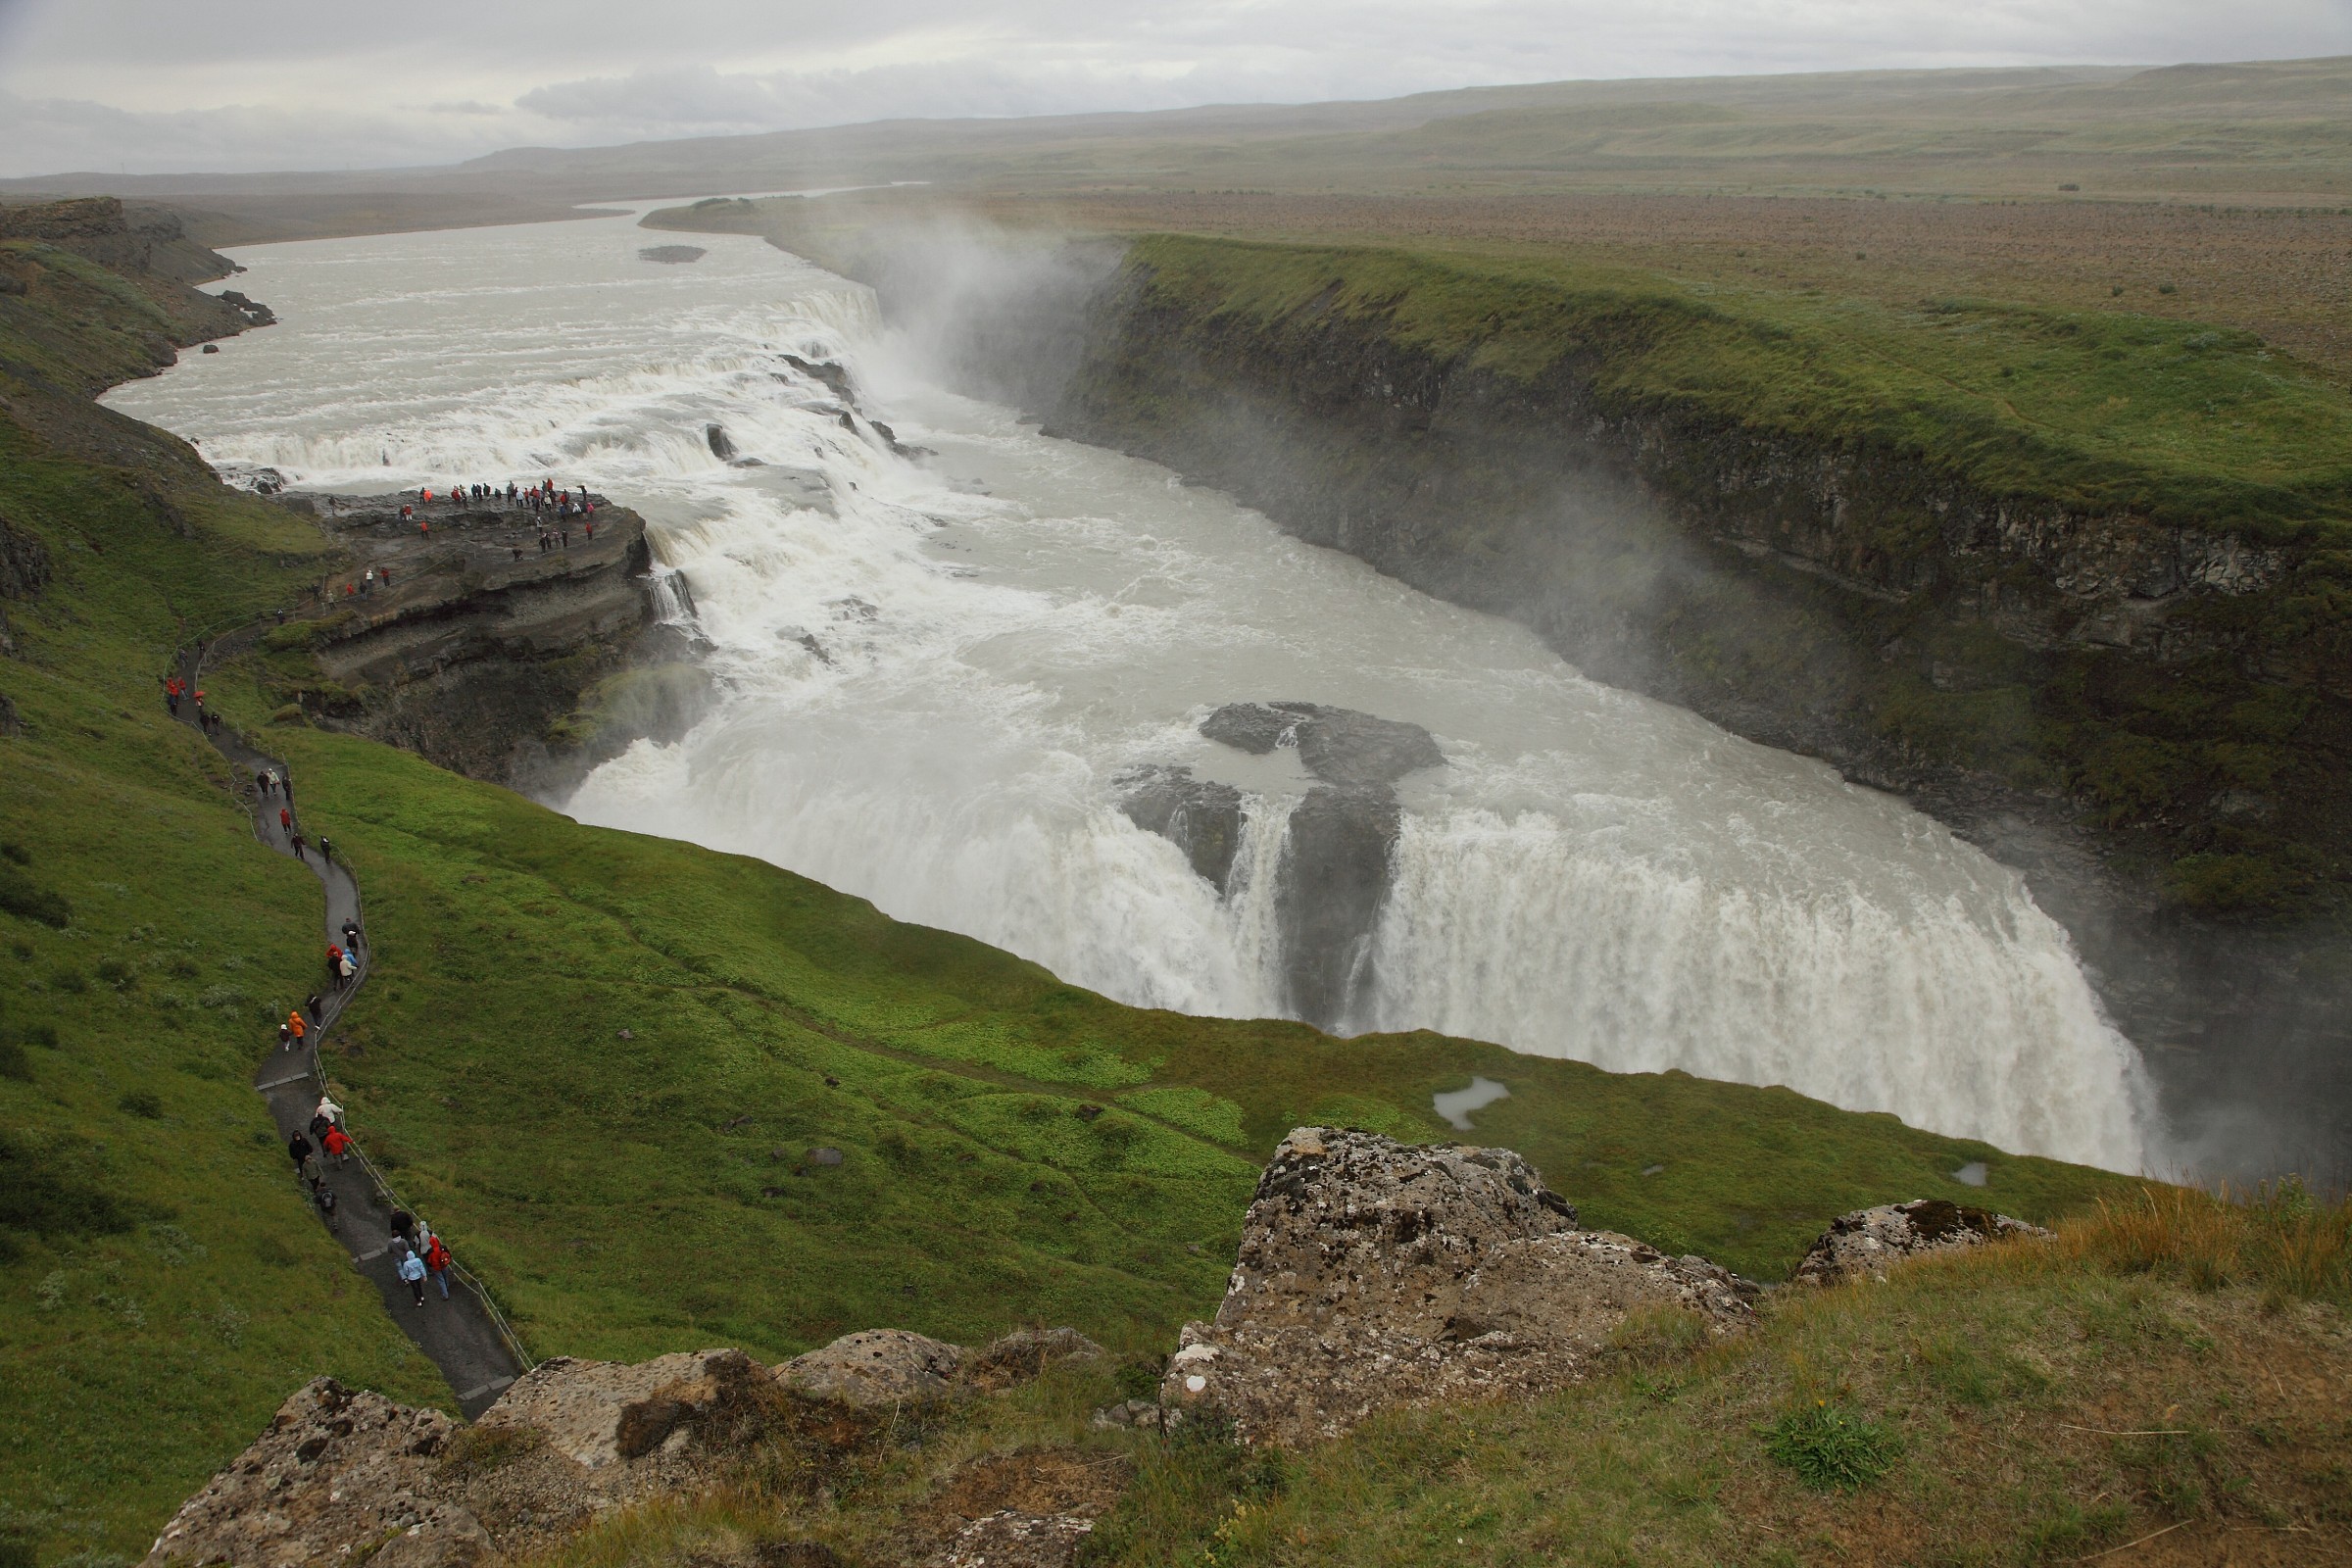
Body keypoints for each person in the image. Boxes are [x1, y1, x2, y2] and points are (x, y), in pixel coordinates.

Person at [422, 1232, 453, 1299]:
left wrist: (431, 1267)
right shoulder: (443, 1247)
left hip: (435, 1267)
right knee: (445, 1276)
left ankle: (445, 1295)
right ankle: (447, 1287)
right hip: (444, 1265)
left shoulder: (430, 1251)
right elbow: (449, 1255)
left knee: (440, 1280)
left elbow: (428, 1261)